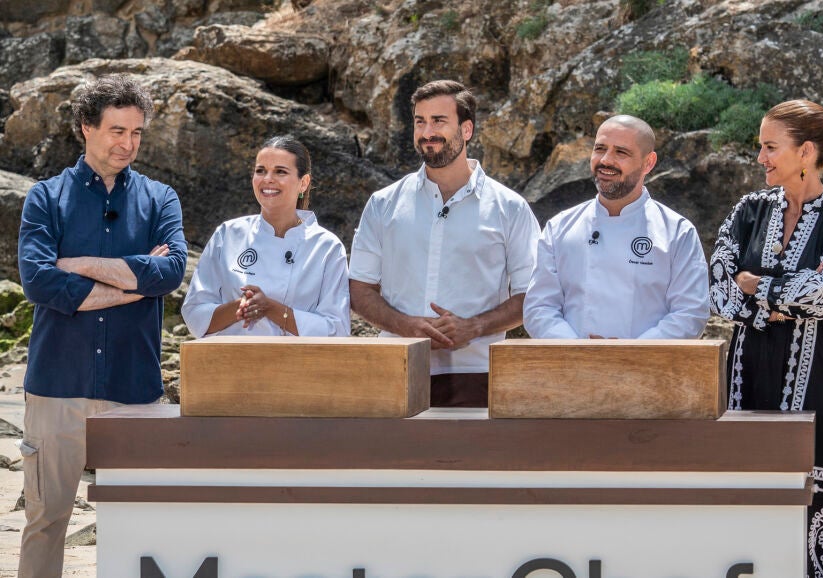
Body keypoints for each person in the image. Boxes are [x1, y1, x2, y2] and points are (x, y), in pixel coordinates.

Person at [16, 74, 187, 578]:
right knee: (46, 520)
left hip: (133, 388)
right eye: (117, 130)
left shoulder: (161, 198)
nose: (128, 144)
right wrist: (136, 282)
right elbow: (39, 282)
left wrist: (79, 265)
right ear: (86, 127)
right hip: (57, 384)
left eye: (136, 132)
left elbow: (171, 271)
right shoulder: (45, 198)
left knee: (136, 526)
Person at [709, 100, 823, 578]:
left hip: (820, 374)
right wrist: (784, 296)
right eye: (760, 146)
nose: (760, 157)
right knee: (749, 479)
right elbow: (718, 290)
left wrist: (757, 285)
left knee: (822, 486)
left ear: (805, 152)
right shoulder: (749, 210)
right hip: (749, 372)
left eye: (769, 147)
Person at [348, 80, 539, 407]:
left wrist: (474, 327)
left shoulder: (510, 208)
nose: (427, 132)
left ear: (467, 129)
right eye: (420, 122)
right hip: (394, 367)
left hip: (478, 373)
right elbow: (359, 288)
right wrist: (406, 326)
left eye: (438, 121)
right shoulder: (383, 204)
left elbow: (532, 294)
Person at [523, 115, 709, 339]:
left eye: (621, 152)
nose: (606, 160)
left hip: (648, 360)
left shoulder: (678, 232)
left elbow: (690, 314)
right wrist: (578, 350)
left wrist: (626, 353)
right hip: (572, 359)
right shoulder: (559, 227)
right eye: (600, 149)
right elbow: (539, 308)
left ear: (648, 163)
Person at [181, 135, 350, 337]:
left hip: (296, 358)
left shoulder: (327, 247)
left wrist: (271, 309)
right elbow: (194, 314)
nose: (268, 179)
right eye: (261, 171)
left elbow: (337, 329)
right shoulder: (228, 234)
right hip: (231, 356)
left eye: (280, 171)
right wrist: (243, 306)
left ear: (303, 183)